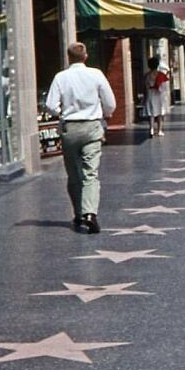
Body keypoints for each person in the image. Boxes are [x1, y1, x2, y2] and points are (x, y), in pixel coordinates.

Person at [46, 42, 116, 234]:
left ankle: (78, 212)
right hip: (92, 126)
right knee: (90, 173)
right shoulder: (96, 74)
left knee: (74, 173)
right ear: (85, 56)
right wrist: (105, 114)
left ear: (69, 58)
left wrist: (63, 112)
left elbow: (51, 105)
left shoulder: (61, 77)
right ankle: (90, 213)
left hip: (70, 128)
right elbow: (110, 102)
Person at [143, 56, 169, 137]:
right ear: (157, 65)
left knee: (151, 113)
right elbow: (164, 87)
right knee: (159, 113)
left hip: (150, 94)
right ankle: (159, 130)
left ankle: (151, 129)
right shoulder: (161, 75)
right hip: (159, 95)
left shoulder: (147, 75)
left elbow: (145, 85)